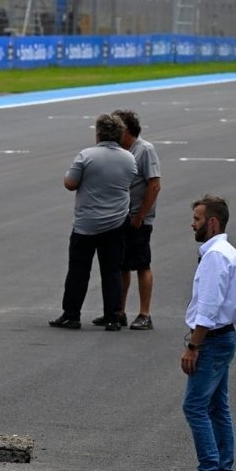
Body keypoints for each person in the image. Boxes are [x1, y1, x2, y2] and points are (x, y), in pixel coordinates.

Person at [170, 196, 236, 471]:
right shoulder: (227, 252)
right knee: (216, 407)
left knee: (195, 406)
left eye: (196, 219)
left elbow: (208, 307)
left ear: (212, 222)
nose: (192, 224)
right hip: (225, 336)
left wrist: (193, 346)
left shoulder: (214, 257)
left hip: (211, 340)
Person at [49, 114, 136, 331]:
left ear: (98, 133)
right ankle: (113, 316)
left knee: (78, 270)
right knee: (112, 271)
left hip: (86, 223)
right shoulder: (129, 158)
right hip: (116, 222)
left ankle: (72, 315)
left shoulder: (86, 155)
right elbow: (130, 182)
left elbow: (70, 183)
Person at [103, 109, 162, 330]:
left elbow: (154, 185)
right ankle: (119, 311)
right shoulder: (120, 151)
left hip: (138, 217)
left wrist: (141, 215)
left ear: (126, 129)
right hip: (120, 216)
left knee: (141, 264)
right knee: (122, 265)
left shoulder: (144, 150)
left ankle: (145, 314)